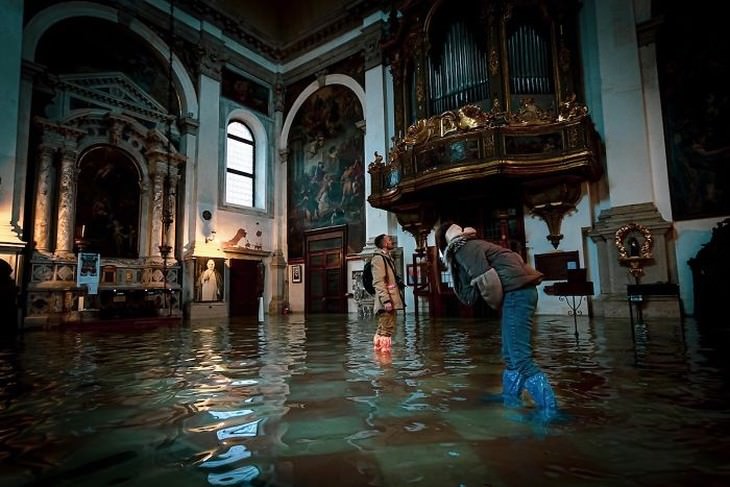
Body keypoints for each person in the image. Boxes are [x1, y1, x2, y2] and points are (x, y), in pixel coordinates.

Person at [435, 221, 556, 420]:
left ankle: (550, 410)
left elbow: (487, 281)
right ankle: (510, 397)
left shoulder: (463, 248)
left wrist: (497, 305)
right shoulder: (471, 245)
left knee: (520, 356)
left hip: (517, 294)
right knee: (510, 354)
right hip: (518, 293)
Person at [371, 234, 405, 351]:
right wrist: (386, 300)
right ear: (384, 243)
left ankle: (381, 358)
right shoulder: (378, 258)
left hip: (391, 298)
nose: (392, 242)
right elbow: (378, 281)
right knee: (386, 329)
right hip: (387, 300)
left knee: (384, 329)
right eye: (390, 240)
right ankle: (386, 363)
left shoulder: (387, 257)